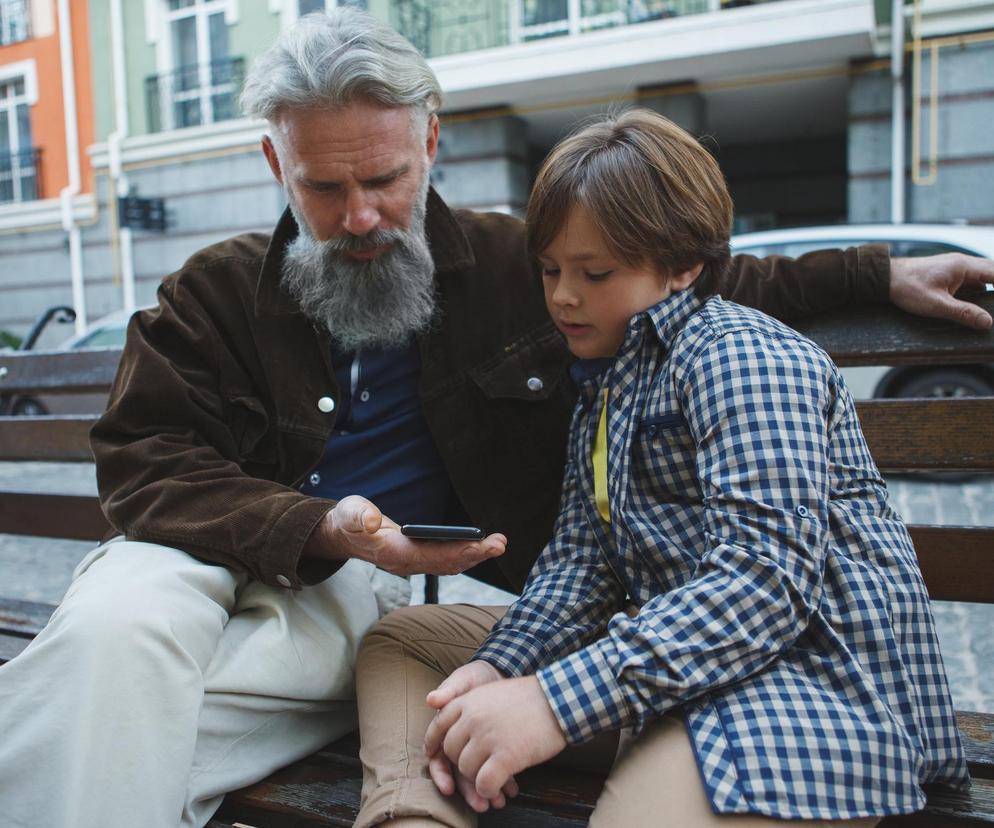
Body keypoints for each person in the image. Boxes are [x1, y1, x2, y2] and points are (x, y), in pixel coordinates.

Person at [0, 9, 988, 828]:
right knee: (115, 629)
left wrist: (876, 272)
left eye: (383, 178)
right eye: (324, 186)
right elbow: (141, 462)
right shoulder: (211, 294)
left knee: (105, 712)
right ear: (274, 163)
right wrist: (312, 525)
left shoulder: (528, 266)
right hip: (244, 563)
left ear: (430, 141)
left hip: (406, 603)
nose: (359, 217)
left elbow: (690, 267)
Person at [353, 109, 970, 828]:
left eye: (595, 272)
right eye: (549, 269)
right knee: (408, 643)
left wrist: (554, 701)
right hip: (674, 665)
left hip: (807, 690)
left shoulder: (740, 358)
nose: (562, 297)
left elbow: (763, 582)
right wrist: (500, 669)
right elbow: (582, 566)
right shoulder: (609, 381)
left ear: (684, 265)